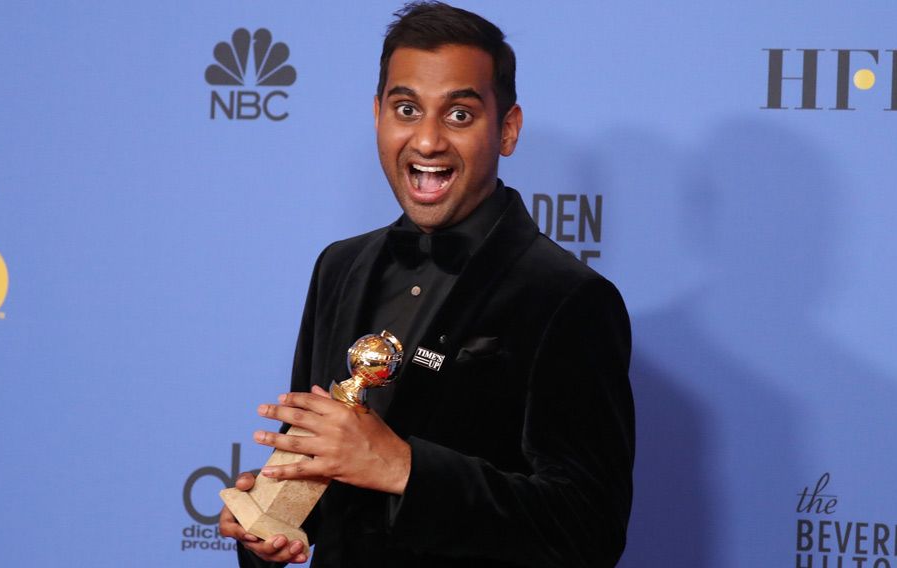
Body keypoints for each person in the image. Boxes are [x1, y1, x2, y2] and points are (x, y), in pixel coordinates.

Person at [219, 2, 634, 566]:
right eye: (407, 109)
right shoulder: (339, 267)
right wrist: (271, 519)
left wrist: (403, 468)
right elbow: (323, 471)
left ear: (506, 129)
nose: (428, 141)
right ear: (378, 115)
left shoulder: (569, 298)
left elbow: (587, 529)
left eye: (459, 114)